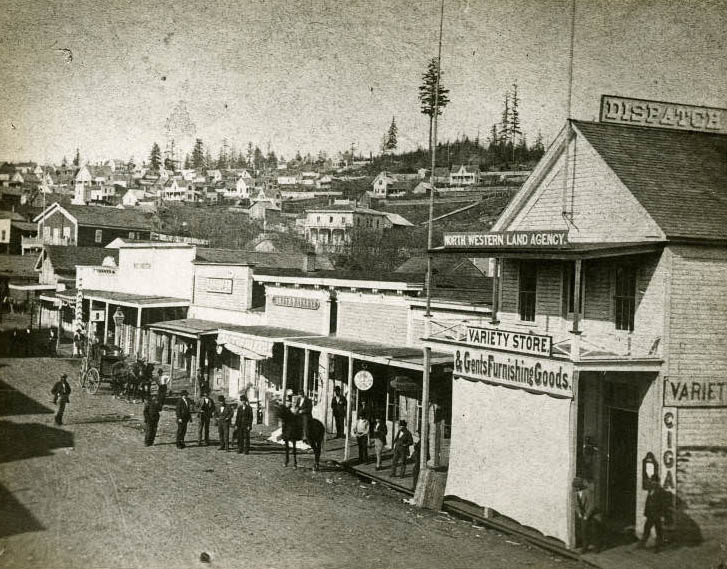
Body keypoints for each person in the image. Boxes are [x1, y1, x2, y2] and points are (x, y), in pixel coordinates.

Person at [638, 475, 668, 552]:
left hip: (657, 514)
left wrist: (662, 515)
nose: (653, 483)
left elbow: (663, 504)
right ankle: (642, 544)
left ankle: (658, 547)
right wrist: (646, 512)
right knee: (647, 529)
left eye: (655, 481)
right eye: (652, 481)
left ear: (658, 482)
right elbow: (647, 503)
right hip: (650, 515)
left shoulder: (661, 491)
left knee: (658, 531)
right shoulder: (650, 490)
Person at [573, 477, 602, 553]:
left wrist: (586, 515)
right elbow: (576, 505)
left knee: (594, 531)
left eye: (576, 487)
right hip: (583, 514)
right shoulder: (575, 494)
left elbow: (591, 505)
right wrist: (579, 513)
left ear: (579, 487)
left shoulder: (587, 492)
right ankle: (585, 547)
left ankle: (597, 547)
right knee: (584, 531)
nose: (575, 489)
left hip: (593, 514)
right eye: (575, 487)